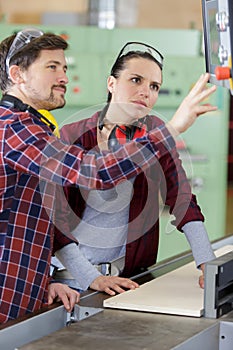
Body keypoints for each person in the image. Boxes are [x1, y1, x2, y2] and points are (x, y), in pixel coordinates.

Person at [0, 31, 199, 324]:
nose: (64, 77)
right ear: (17, 74)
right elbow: (96, 171)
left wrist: (46, 279)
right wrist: (172, 129)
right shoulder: (14, 130)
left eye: (65, 68)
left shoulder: (36, 130)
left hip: (27, 290)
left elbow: (41, 222)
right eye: (52, 67)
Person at [53, 41, 217, 296]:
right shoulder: (72, 136)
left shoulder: (155, 134)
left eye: (154, 86)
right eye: (136, 80)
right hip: (72, 281)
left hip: (127, 280)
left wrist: (208, 263)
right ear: (111, 84)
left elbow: (182, 198)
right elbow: (55, 220)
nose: (145, 92)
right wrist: (90, 278)